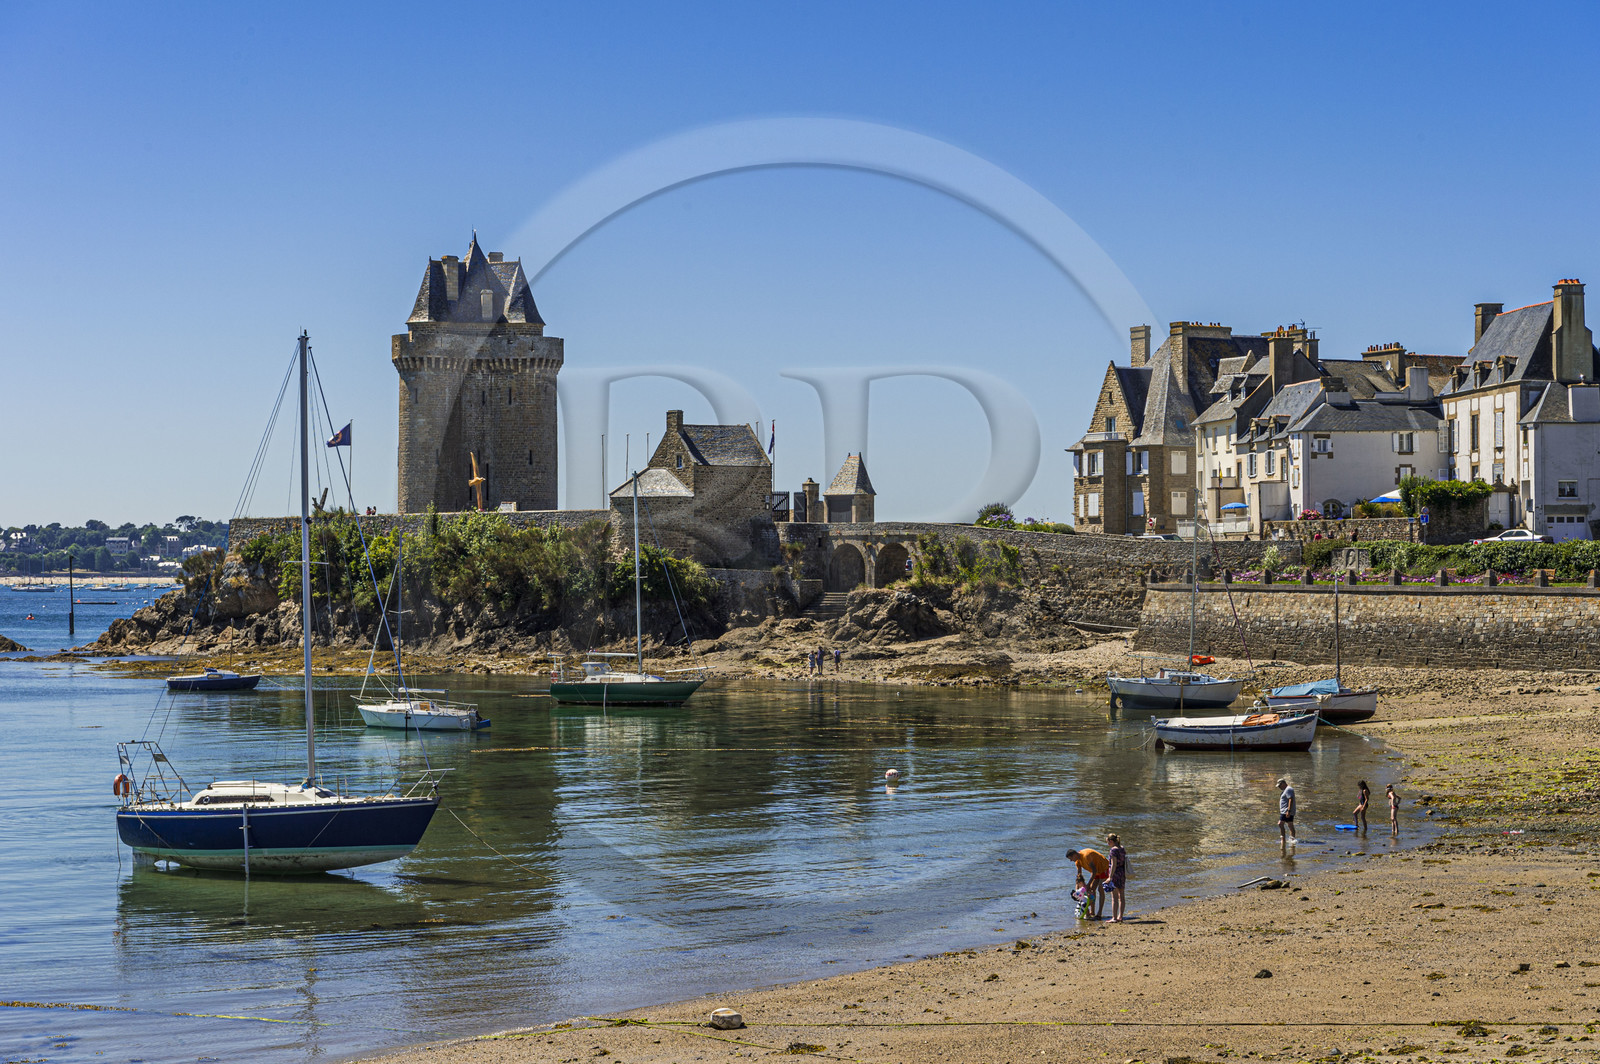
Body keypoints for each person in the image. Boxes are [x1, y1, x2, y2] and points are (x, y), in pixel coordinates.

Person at [1067, 847, 1111, 919]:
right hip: (1096, 872)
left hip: (1104, 868)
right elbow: (1079, 876)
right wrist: (1077, 889)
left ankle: (1099, 913)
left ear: (1074, 855)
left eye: (1070, 858)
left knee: (1100, 889)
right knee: (1091, 889)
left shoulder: (1086, 856)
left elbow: (1094, 871)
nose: (1071, 860)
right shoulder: (1077, 861)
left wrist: (1087, 885)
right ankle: (1092, 912)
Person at [1105, 833, 1127, 923]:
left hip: (1115, 874)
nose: (1107, 844)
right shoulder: (1122, 848)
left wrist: (1110, 877)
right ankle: (1120, 916)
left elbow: (1113, 864)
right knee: (1121, 896)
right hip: (1122, 873)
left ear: (1111, 841)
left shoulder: (1113, 850)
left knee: (1114, 897)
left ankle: (1114, 917)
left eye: (1108, 842)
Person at [1276, 777, 1298, 846]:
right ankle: (1292, 840)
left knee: (1280, 824)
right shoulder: (1286, 790)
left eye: (1280, 786)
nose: (1279, 787)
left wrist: (1288, 810)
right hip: (1286, 811)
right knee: (1290, 824)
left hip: (1286, 811)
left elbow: (1290, 799)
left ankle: (1283, 840)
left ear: (1283, 783)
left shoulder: (1288, 789)